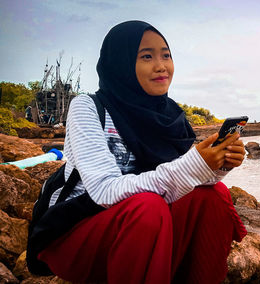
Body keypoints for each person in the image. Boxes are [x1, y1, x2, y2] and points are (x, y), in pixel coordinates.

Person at [36, 20, 247, 283]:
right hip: (77, 234)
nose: (161, 66)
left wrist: (219, 165)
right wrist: (194, 164)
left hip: (145, 236)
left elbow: (180, 182)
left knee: (212, 195)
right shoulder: (88, 107)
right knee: (148, 206)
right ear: (121, 62)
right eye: (146, 56)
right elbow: (103, 190)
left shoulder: (170, 116)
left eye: (166, 55)